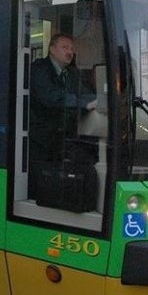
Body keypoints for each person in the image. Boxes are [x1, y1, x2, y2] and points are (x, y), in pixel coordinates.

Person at [28, 33, 98, 204]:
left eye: (72, 49)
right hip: (39, 140)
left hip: (62, 140)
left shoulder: (72, 74)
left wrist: (97, 101)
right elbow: (50, 97)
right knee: (39, 181)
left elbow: (85, 94)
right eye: (65, 47)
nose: (70, 52)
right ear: (52, 49)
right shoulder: (39, 69)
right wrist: (83, 104)